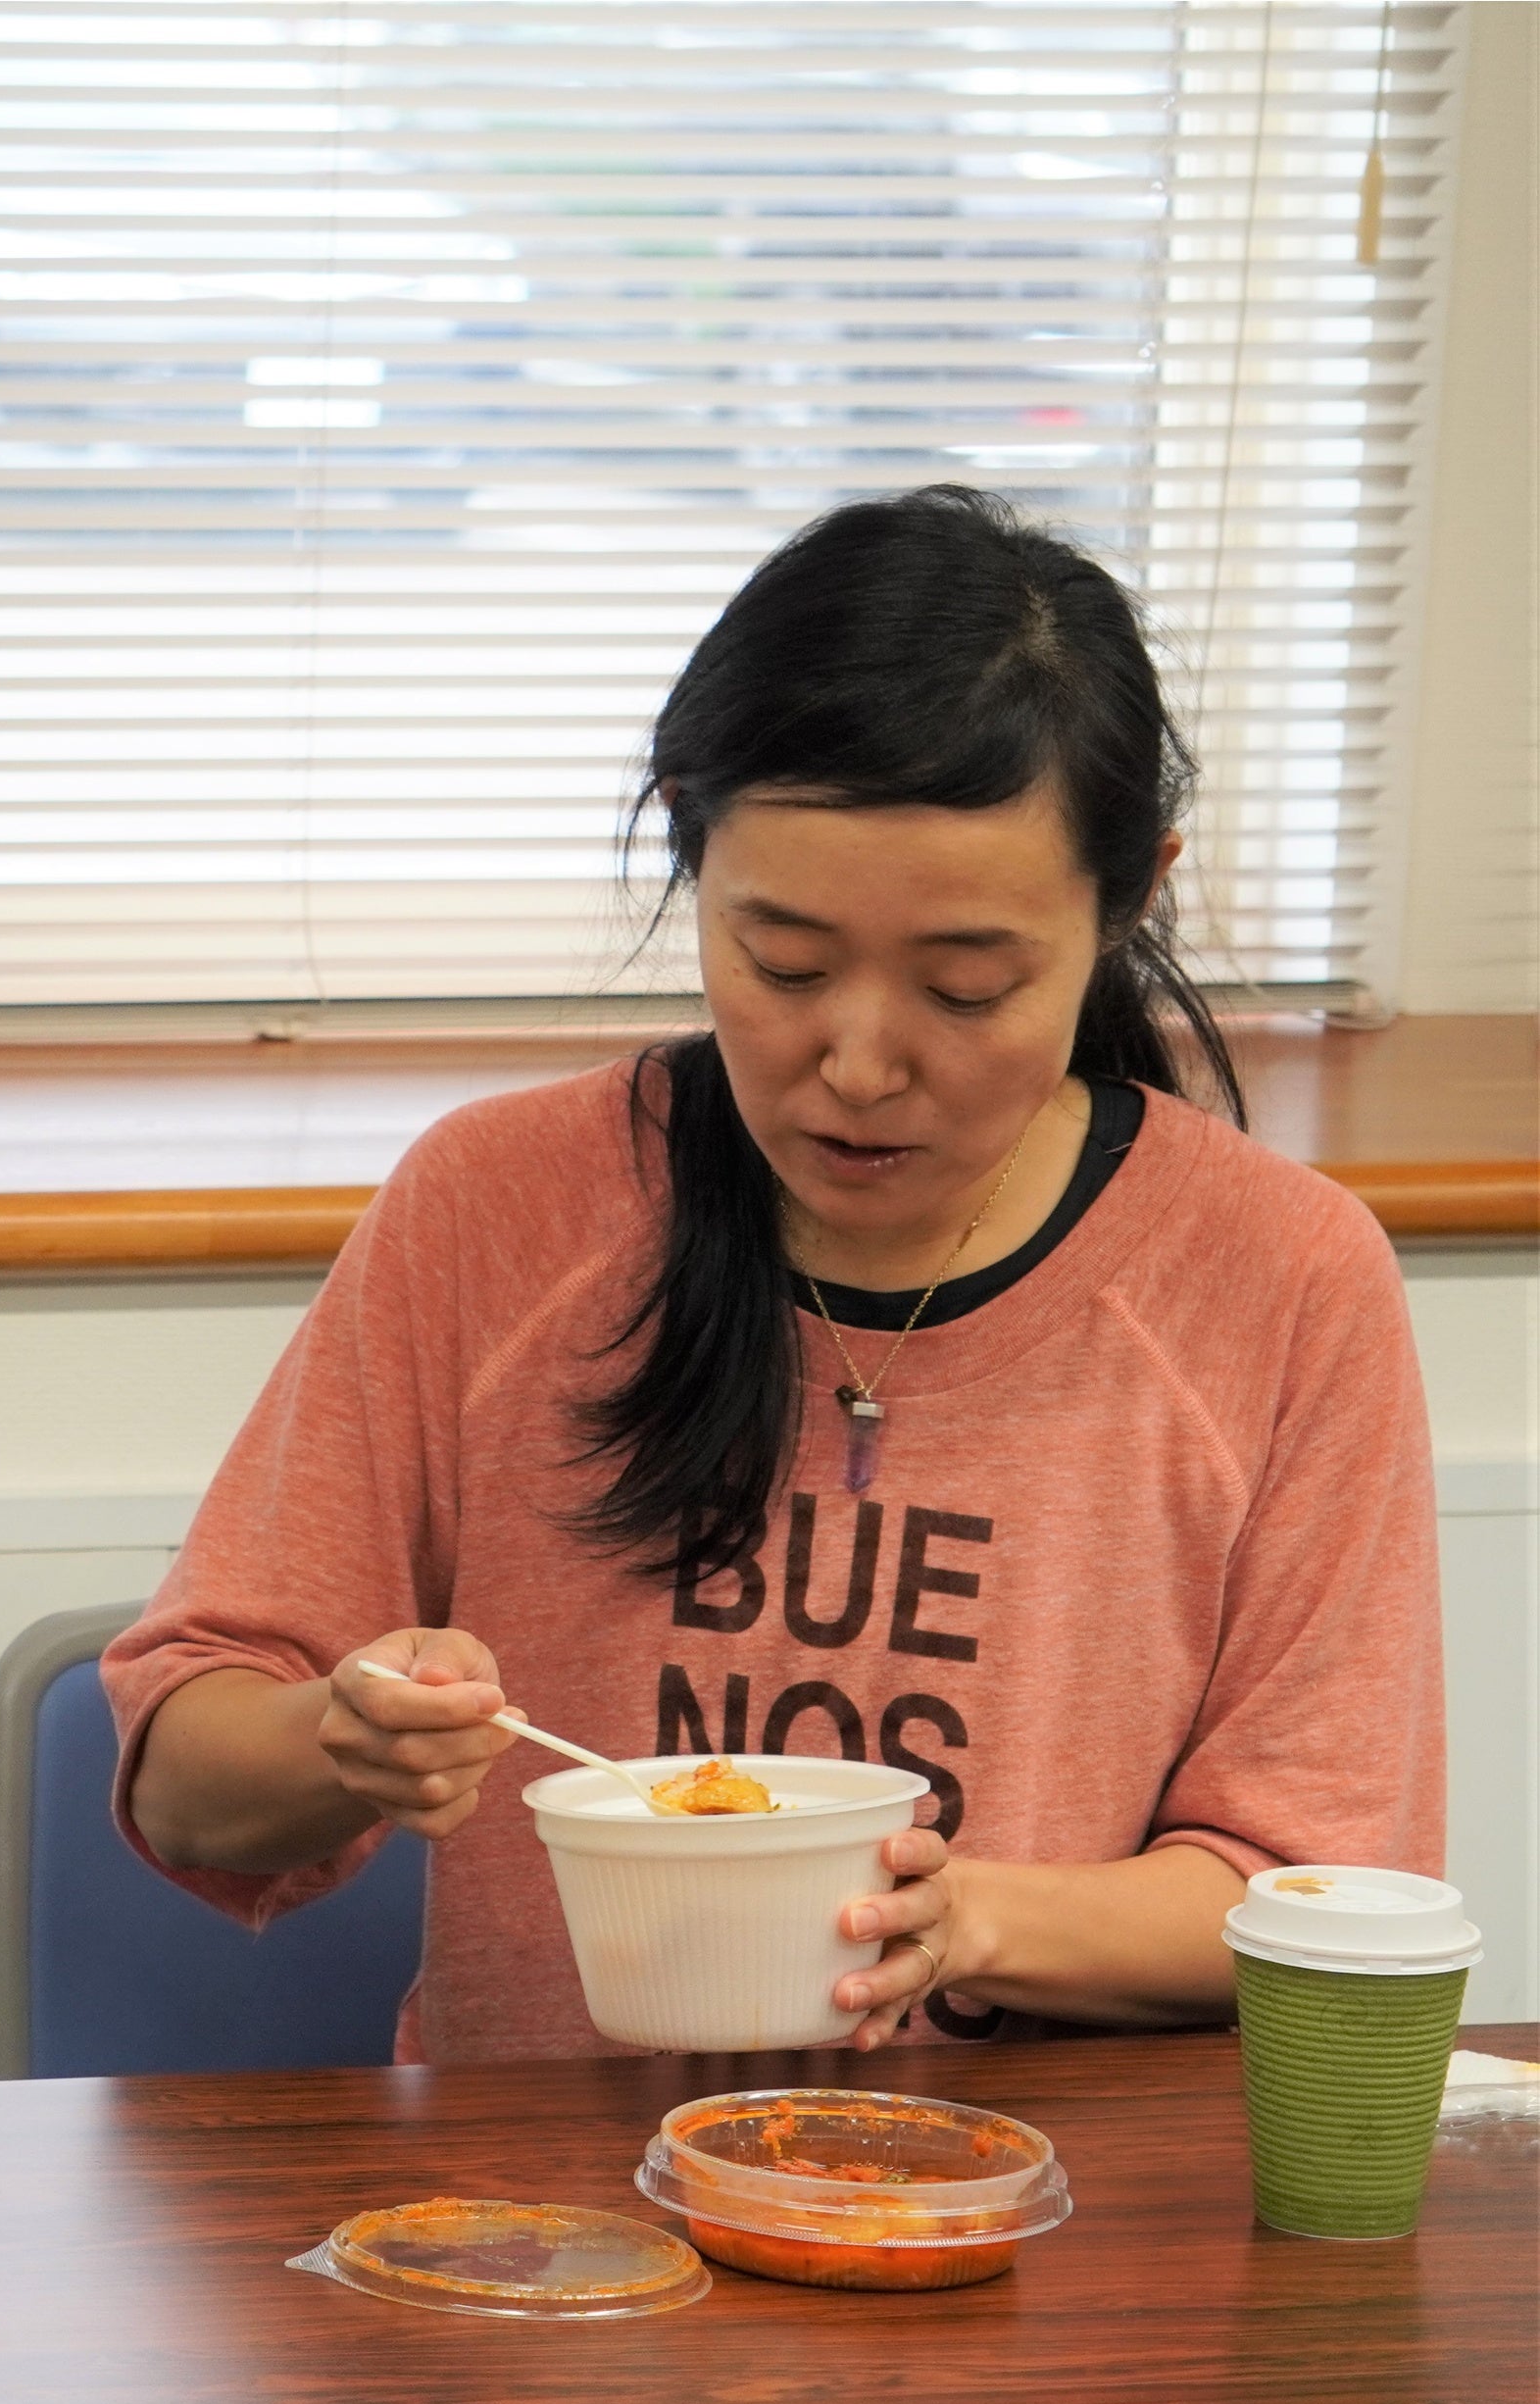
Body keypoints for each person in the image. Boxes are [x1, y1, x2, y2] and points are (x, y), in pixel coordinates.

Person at [109, 486, 1440, 2064]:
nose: (858, 1063)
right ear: (688, 842)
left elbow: (1321, 1888)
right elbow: (186, 1773)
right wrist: (346, 1738)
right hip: (551, 2226)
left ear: (1130, 897)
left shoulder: (1278, 1277)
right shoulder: (501, 1208)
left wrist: (978, 1921)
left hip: (1019, 2232)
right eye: (784, 963)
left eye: (968, 984)